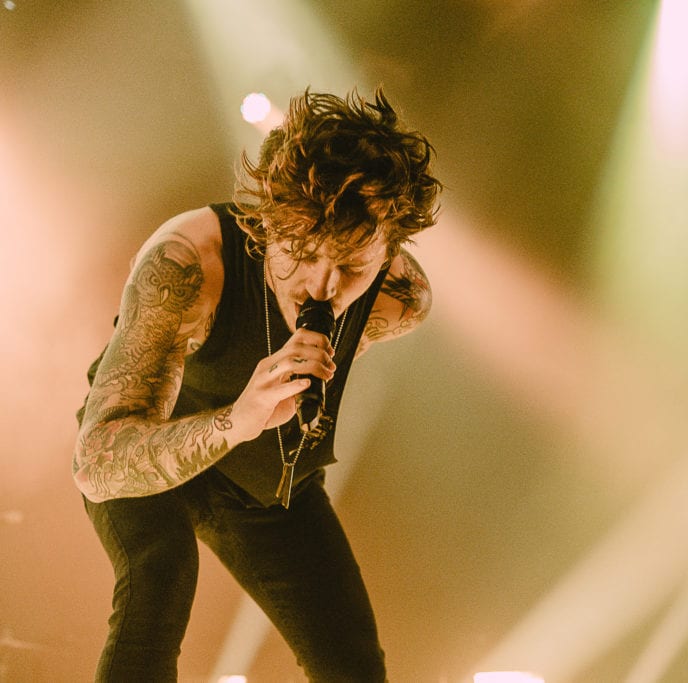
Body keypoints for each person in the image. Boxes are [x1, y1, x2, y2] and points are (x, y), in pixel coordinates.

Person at [72, 87, 441, 682]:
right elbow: (95, 463)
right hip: (155, 444)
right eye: (302, 252)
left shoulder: (401, 300)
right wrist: (238, 419)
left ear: (388, 253)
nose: (322, 286)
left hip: (269, 479)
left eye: (352, 267)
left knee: (352, 664)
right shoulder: (189, 259)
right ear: (268, 221)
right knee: (160, 576)